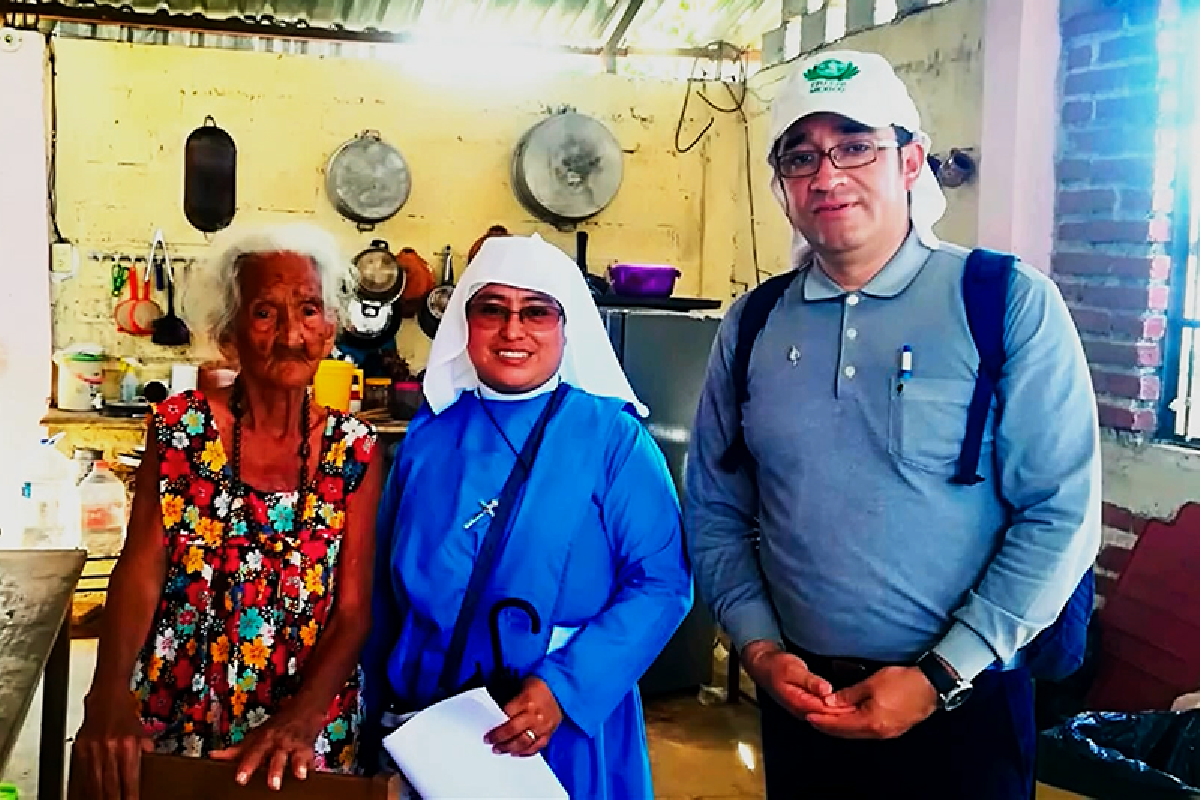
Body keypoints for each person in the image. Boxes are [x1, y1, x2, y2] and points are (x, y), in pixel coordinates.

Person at [685, 49, 1101, 799]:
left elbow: (1061, 515)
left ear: (911, 162)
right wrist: (758, 649)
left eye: (855, 146)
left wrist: (942, 675)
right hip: (800, 703)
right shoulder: (751, 325)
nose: (827, 174)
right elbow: (715, 512)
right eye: (801, 155)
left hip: (962, 711)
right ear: (783, 186)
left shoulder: (1004, 303)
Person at [363, 234, 692, 799]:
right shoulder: (430, 436)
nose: (513, 330)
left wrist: (563, 690)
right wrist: (371, 713)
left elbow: (662, 584)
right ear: (467, 324)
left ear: (567, 326)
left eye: (536, 311)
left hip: (558, 722)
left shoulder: (613, 439)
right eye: (492, 310)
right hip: (434, 718)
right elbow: (381, 590)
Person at [70, 223, 382, 799]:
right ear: (230, 336)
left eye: (309, 310)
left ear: (331, 328)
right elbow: (140, 572)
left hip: (307, 722)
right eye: (266, 313)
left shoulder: (356, 449)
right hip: (179, 702)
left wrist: (300, 720)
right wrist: (107, 694)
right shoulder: (181, 429)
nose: (292, 333)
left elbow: (355, 610)